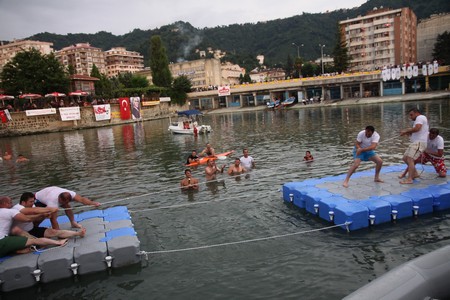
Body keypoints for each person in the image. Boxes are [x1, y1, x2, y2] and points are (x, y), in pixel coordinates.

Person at [0, 196, 68, 258]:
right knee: (34, 241)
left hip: (5, 240)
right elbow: (27, 219)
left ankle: (15, 250)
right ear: (5, 203)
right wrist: (44, 213)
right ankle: (58, 242)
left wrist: (42, 214)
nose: (12, 204)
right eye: (10, 203)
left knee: (15, 232)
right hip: (2, 241)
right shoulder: (10, 211)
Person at [12, 192, 86, 239]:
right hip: (20, 233)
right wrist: (50, 209)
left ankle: (78, 233)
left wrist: (45, 215)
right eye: (30, 202)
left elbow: (36, 214)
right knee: (42, 242)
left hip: (32, 229)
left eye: (33, 201)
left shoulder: (33, 206)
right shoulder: (17, 208)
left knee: (54, 232)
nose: (32, 203)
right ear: (23, 202)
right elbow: (28, 217)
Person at [34, 186, 101, 230]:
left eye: (67, 201)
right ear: (59, 199)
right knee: (42, 216)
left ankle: (73, 223)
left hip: (50, 191)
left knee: (67, 206)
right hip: (38, 199)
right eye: (63, 202)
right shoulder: (52, 201)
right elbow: (53, 220)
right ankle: (34, 229)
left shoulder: (71, 194)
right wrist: (59, 235)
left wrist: (93, 203)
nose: (64, 203)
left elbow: (82, 199)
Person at [399, 108, 429, 184]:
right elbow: (415, 131)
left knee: (410, 159)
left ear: (416, 113)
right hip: (415, 142)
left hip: (419, 142)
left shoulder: (420, 117)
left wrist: (406, 131)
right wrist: (406, 133)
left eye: (411, 115)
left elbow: (417, 129)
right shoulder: (418, 120)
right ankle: (414, 173)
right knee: (405, 158)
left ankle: (409, 179)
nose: (410, 117)